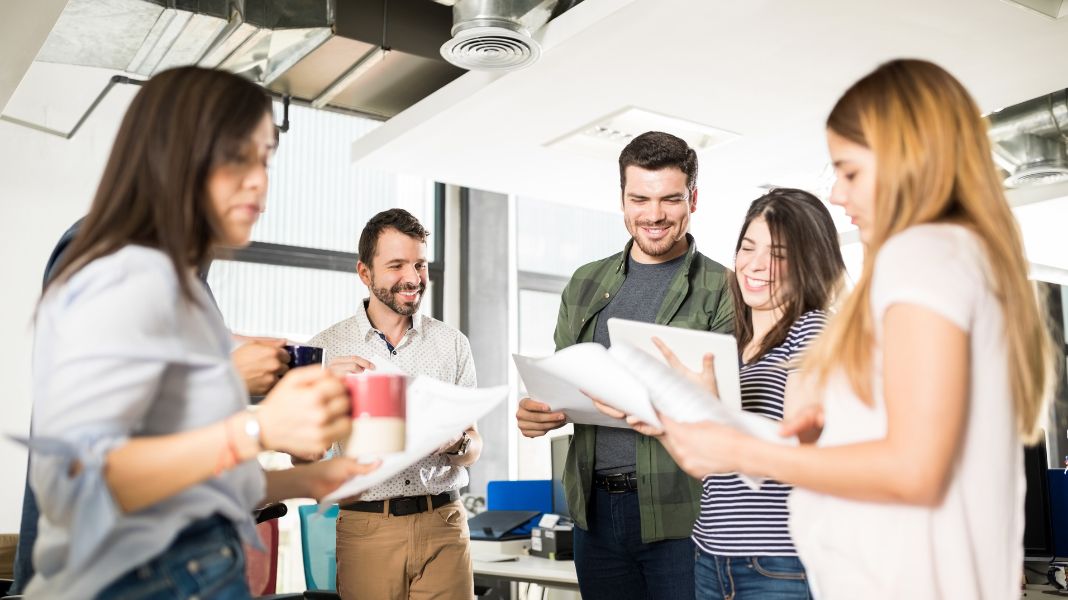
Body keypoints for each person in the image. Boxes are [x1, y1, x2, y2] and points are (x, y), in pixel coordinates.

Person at [649, 59, 1054, 600]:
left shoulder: (922, 257)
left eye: (852, 171)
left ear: (913, 161)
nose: (838, 195)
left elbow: (913, 467)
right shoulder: (964, 258)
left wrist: (741, 449)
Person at [24, 66, 378, 599]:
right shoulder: (114, 267)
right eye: (238, 155)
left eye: (266, 158)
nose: (259, 179)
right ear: (175, 154)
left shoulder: (181, 285)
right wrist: (257, 428)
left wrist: (307, 482)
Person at [516, 131, 734, 600]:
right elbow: (563, 379)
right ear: (622, 200)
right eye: (640, 198)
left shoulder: (723, 287)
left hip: (683, 514)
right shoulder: (585, 282)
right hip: (595, 515)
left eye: (670, 199)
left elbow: (727, 407)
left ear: (693, 199)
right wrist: (539, 411)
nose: (653, 215)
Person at [616, 188, 845, 599]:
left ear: (811, 262)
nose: (755, 266)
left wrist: (711, 409)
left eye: (777, 254)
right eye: (747, 247)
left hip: (777, 561)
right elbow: (709, 468)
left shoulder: (812, 330)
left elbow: (799, 452)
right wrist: (659, 420)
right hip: (711, 553)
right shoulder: (734, 347)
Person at [308, 208, 482, 600]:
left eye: (420, 264)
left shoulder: (452, 343)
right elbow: (307, 455)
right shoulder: (327, 348)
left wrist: (453, 441)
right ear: (365, 273)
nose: (413, 278)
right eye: (397, 265)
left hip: (444, 522)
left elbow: (473, 446)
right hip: (368, 527)